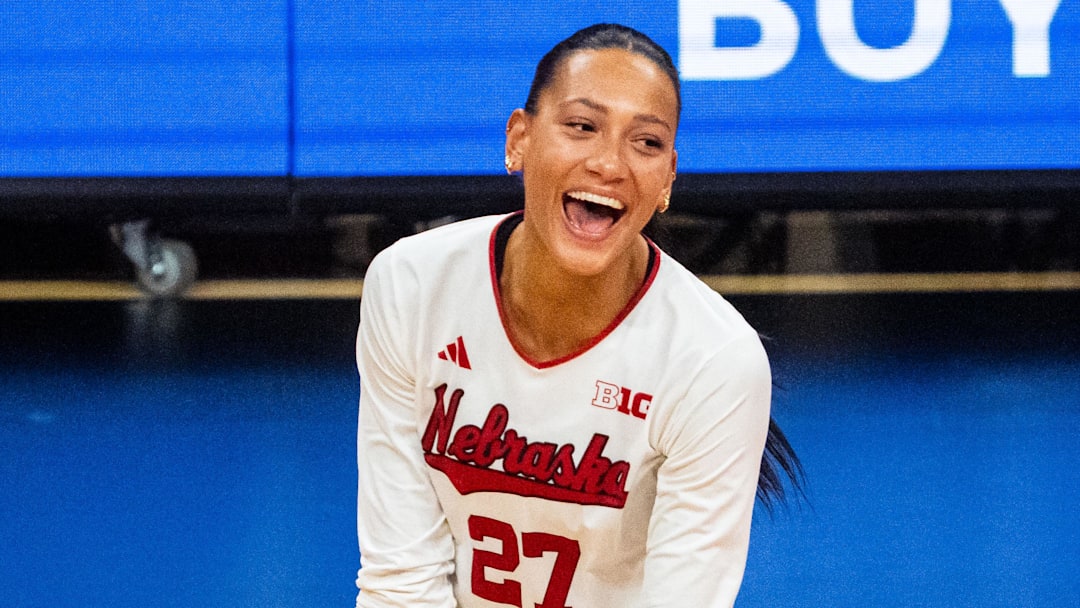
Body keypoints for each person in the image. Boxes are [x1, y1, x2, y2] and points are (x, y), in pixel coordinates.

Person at [355, 23, 800, 608]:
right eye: (582, 127)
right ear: (519, 139)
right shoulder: (412, 284)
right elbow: (400, 578)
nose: (610, 164)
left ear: (667, 179)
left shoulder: (716, 359)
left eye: (646, 142)